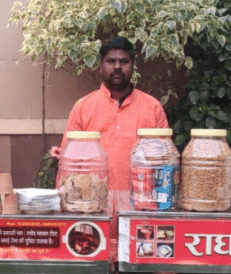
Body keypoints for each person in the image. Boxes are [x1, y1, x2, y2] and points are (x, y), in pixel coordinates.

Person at [56, 37, 169, 191]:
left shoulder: (153, 107)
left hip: (140, 203)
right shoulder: (82, 107)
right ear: (101, 66)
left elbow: (164, 163)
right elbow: (68, 165)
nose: (117, 66)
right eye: (111, 61)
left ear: (133, 66)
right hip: (94, 204)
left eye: (124, 61)